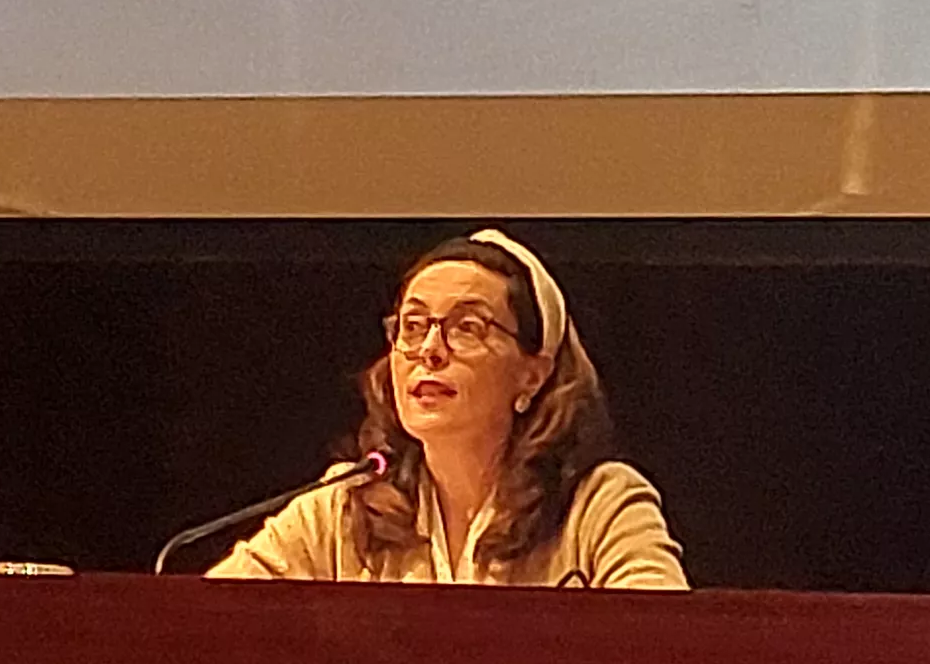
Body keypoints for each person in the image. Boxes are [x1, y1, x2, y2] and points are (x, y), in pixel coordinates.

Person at [207, 230, 684, 587]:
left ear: (532, 376)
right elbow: (208, 624)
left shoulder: (598, 505)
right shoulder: (342, 506)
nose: (430, 351)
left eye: (468, 327)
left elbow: (668, 652)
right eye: (413, 326)